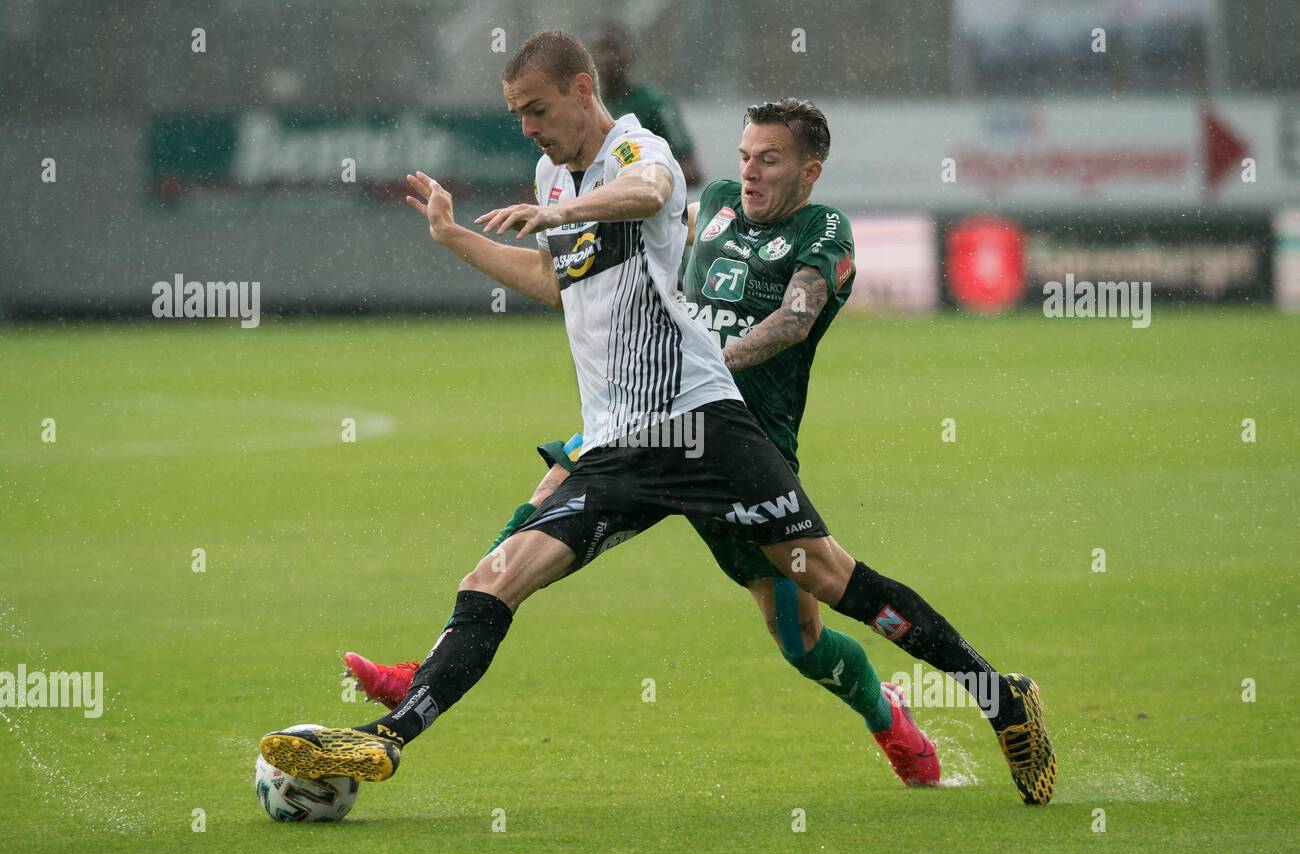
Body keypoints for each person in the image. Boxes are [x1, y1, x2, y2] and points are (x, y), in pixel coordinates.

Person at [260, 31, 1056, 807]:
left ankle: (1000, 696)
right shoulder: (552, 178)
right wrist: (456, 237)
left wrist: (564, 215)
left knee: (831, 583)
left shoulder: (642, 153)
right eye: (516, 115)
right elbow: (555, 282)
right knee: (495, 577)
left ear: (582, 91)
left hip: (701, 425)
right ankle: (386, 738)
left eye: (537, 109)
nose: (529, 129)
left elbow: (645, 196)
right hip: (618, 443)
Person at [592, 23, 702, 187]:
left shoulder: (654, 103)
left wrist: (635, 179)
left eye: (614, 49)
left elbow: (691, 171)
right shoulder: (584, 106)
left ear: (631, 54)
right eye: (601, 50)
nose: (608, 58)